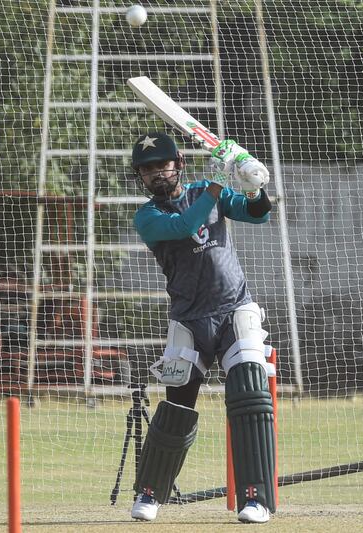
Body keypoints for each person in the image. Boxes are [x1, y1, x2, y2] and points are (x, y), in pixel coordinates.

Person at [127, 132, 276, 524]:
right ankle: (150, 494)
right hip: (189, 319)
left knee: (249, 394)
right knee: (177, 406)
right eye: (148, 170)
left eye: (163, 164)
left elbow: (258, 214)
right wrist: (218, 183)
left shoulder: (207, 192)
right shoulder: (147, 217)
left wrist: (254, 183)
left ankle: (255, 498)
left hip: (233, 309)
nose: (158, 174)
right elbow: (184, 225)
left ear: (178, 163)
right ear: (140, 178)